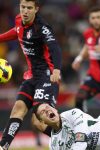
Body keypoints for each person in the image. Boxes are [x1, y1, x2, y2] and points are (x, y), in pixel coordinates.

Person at [0, 0, 61, 149]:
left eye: (29, 8)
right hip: (32, 75)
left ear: (36, 9)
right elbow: (16, 31)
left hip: (47, 75)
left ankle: (69, 136)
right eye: (23, 7)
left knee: (41, 118)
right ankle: (3, 146)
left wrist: (57, 70)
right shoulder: (19, 20)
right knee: (18, 109)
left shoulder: (42, 28)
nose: (25, 11)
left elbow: (55, 47)